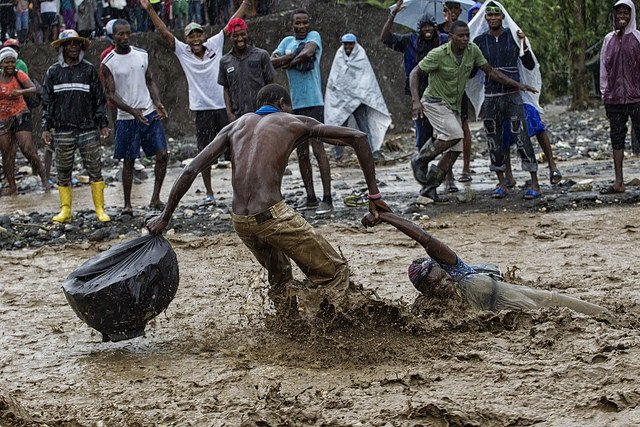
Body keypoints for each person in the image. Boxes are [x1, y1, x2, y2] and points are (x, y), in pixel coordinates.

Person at [146, 84, 390, 317]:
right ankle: (334, 329)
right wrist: (374, 195)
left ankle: (288, 329)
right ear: (283, 104)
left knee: (280, 279)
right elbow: (357, 137)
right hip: (273, 217)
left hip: (241, 222)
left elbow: (190, 170)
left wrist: (165, 217)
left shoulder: (234, 126)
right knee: (334, 272)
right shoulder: (294, 121)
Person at [361, 211, 609, 316]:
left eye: (441, 277)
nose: (442, 285)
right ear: (425, 292)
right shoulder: (431, 310)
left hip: (539, 300)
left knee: (601, 316)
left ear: (444, 269)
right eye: (433, 286)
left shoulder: (458, 271)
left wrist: (386, 216)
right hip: (518, 321)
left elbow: (424, 237)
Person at [409, 20, 537, 202]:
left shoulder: (472, 51)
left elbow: (491, 72)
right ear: (451, 37)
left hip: (452, 105)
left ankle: (430, 187)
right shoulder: (438, 54)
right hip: (434, 101)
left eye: (467, 35)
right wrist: (415, 101)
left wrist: (519, 85)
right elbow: (415, 73)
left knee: (456, 148)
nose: (465, 39)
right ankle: (420, 159)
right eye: (460, 35)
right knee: (455, 134)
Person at [141, 0, 250, 206]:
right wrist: (149, 9)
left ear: (204, 35)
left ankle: (239, 191)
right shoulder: (182, 51)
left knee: (235, 151)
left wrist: (245, 3)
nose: (196, 39)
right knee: (206, 153)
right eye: (191, 36)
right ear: (186, 39)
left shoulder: (214, 44)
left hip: (223, 107)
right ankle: (209, 193)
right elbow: (164, 32)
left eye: (198, 34)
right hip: (202, 110)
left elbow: (231, 23)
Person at [470, 2, 542, 199]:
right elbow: (471, 74)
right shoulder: (478, 41)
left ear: (503, 17)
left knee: (522, 137)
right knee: (494, 141)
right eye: (489, 15)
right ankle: (502, 182)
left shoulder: (513, 38)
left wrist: (524, 44)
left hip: (512, 96)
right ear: (485, 18)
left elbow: (528, 64)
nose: (493, 18)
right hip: (491, 98)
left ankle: (535, 183)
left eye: (496, 15)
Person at [42, 30, 111, 223]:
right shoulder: (53, 72)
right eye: (69, 43)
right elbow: (47, 102)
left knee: (95, 168)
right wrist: (46, 127)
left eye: (76, 43)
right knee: (63, 169)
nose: (73, 47)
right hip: (63, 129)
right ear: (62, 46)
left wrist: (102, 123)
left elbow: (99, 99)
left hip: (88, 128)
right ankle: (65, 210)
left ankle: (100, 208)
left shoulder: (88, 70)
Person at [101, 19, 168, 215]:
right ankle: (127, 204)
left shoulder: (141, 55)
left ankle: (155, 198)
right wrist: (132, 111)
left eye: (128, 33)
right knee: (129, 160)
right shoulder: (108, 62)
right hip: (126, 117)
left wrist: (157, 102)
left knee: (162, 154)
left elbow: (149, 80)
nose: (125, 37)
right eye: (120, 34)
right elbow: (111, 94)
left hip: (147, 111)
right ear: (113, 36)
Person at [271, 9, 333, 215]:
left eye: (304, 23)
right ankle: (311, 197)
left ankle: (328, 197)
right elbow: (272, 62)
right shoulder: (286, 40)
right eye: (297, 23)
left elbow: (308, 53)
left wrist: (287, 62)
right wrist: (290, 58)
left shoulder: (314, 36)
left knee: (319, 149)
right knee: (302, 152)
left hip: (314, 102)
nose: (301, 27)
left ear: (308, 23)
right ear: (292, 24)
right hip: (294, 105)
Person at [380, 1, 442, 153]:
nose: (427, 29)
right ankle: (422, 163)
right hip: (418, 91)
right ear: (418, 28)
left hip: (441, 91)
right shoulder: (410, 41)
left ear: (435, 27)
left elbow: (457, 40)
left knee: (446, 133)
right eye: (423, 26)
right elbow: (385, 38)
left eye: (430, 26)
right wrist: (392, 15)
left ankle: (447, 172)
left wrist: (451, 20)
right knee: (423, 131)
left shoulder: (443, 41)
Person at [325, 33, 390, 161]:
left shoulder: (361, 56)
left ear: (354, 44)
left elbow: (366, 78)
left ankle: (371, 152)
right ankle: (339, 154)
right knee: (339, 127)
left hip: (359, 99)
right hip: (342, 100)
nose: (348, 46)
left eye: (350, 44)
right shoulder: (339, 56)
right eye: (346, 44)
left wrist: (359, 94)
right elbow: (335, 78)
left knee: (363, 127)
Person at [599, 0, 640, 195]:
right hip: (614, 98)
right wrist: (604, 93)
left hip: (637, 98)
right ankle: (619, 182)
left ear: (631, 15)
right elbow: (603, 69)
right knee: (617, 138)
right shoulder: (609, 39)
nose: (622, 16)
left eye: (626, 12)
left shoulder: (638, 38)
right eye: (619, 13)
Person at [0, 47, 49, 196]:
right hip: (2, 119)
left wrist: (20, 92)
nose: (10, 65)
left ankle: (45, 181)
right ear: (1, 64)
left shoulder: (18, 74)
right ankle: (12, 187)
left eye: (12, 62)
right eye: (7, 62)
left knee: (27, 148)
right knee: (7, 152)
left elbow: (33, 89)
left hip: (21, 114)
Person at [218, 18, 275, 122]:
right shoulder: (225, 61)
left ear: (247, 34)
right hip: (239, 117)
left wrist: (270, 108)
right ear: (230, 37)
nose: (240, 38)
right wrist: (229, 113)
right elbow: (226, 89)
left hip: (262, 113)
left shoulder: (262, 55)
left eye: (243, 34)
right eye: (235, 35)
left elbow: (270, 83)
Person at [501, 103, 562, 187]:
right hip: (501, 95)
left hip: (523, 95)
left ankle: (551, 166)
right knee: (503, 129)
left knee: (535, 123)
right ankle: (508, 175)